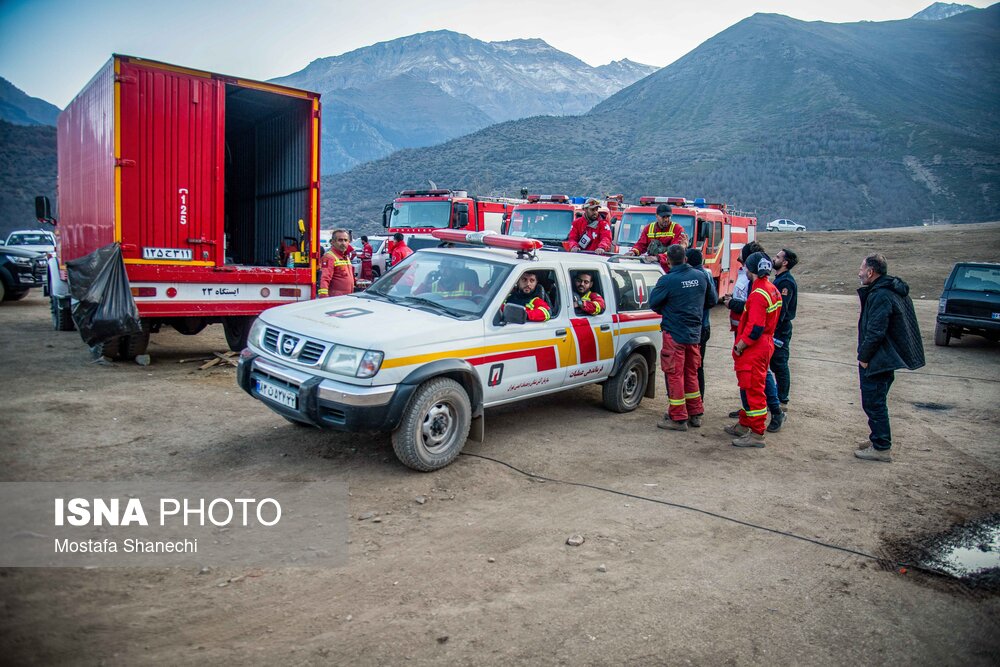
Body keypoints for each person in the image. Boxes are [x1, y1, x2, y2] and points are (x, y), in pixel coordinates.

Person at [855, 253, 925, 463]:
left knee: (873, 402)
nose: (859, 272)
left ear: (870, 271)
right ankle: (877, 439)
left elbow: (875, 331)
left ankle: (881, 447)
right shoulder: (889, 290)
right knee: (877, 400)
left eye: (861, 268)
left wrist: (864, 357)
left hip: (879, 358)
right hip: (886, 356)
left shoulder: (881, 295)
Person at [649, 245, 717, 430]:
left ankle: (678, 417)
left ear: (669, 261)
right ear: (685, 259)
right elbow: (711, 300)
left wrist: (671, 309)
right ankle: (695, 413)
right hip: (694, 334)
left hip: (674, 334)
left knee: (674, 374)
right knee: (691, 373)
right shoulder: (701, 276)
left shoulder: (668, 280)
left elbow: (653, 303)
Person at [726, 252, 782, 447]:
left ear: (752, 269)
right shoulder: (771, 289)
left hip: (754, 348)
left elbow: (755, 327)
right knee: (747, 386)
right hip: (763, 345)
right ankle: (745, 423)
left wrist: (740, 346)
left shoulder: (758, 294)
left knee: (753, 389)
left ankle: (757, 433)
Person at [686, 248, 718, 399]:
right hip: (704, 325)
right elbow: (713, 300)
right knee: (698, 365)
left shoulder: (693, 276)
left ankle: (694, 400)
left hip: (695, 327)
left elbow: (710, 300)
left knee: (692, 366)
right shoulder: (707, 274)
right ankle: (699, 400)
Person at [770, 248, 798, 406]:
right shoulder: (779, 279)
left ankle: (782, 400)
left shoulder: (785, 282)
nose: (774, 259)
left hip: (780, 330)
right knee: (774, 364)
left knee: (780, 364)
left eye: (777, 257)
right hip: (777, 328)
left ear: (785, 262)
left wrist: (772, 329)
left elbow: (781, 309)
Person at [318, 228, 355, 297]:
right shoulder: (329, 257)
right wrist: (324, 298)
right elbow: (324, 279)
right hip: (335, 299)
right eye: (340, 240)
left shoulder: (345, 257)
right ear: (332, 242)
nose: (343, 243)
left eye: (345, 240)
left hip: (346, 298)